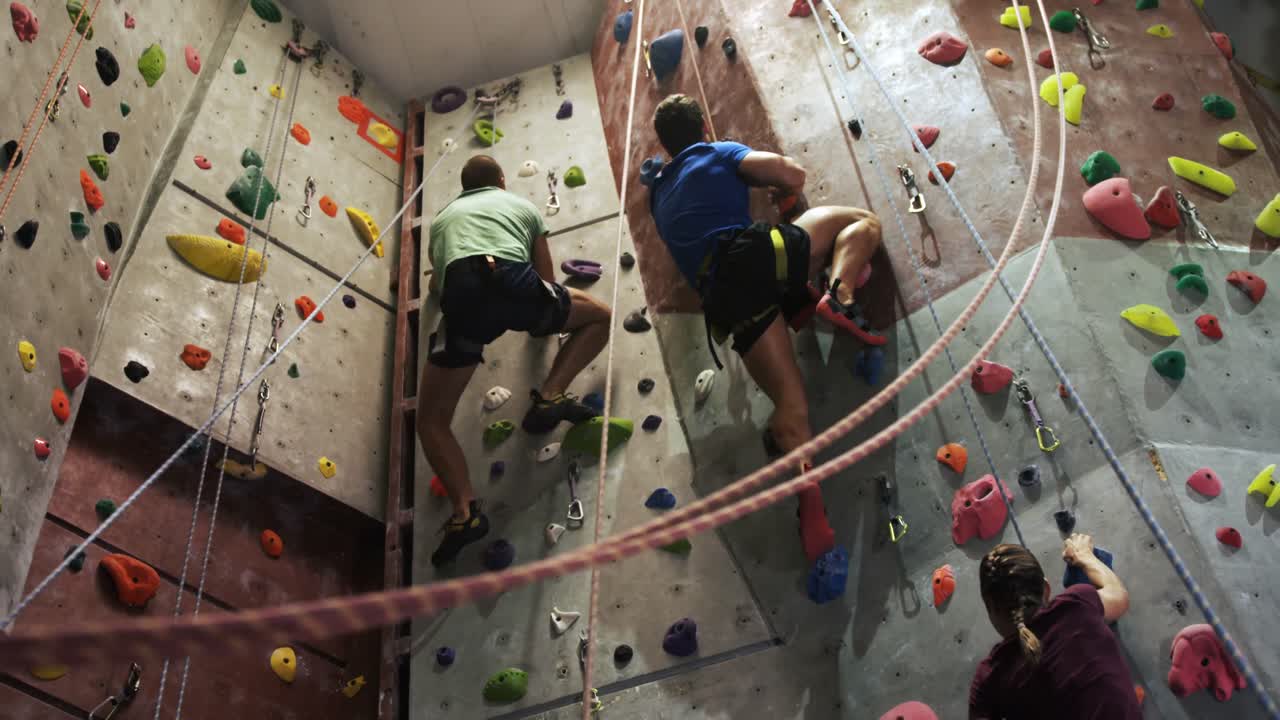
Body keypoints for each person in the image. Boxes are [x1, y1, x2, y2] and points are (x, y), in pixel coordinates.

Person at [646, 94, 885, 565]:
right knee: (861, 223)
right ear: (702, 126)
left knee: (790, 405)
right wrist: (766, 183)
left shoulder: (657, 197)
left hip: (726, 301)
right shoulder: (715, 152)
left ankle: (808, 491)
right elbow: (792, 175)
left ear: (665, 145)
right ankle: (840, 294)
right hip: (757, 254)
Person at [418, 155, 611, 567]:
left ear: (464, 188)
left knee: (432, 420)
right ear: (502, 182)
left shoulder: (443, 220)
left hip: (463, 295)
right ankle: (551, 395)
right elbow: (544, 278)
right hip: (509, 277)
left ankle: (464, 512)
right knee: (600, 316)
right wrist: (538, 319)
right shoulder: (521, 206)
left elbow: (437, 284)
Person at [970, 536, 1141, 720]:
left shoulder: (989, 681)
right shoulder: (1078, 604)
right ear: (1046, 588)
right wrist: (1084, 555)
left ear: (991, 612)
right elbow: (1118, 596)